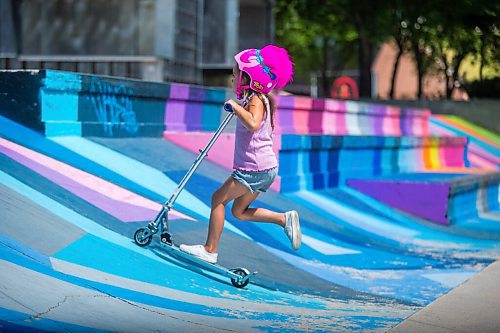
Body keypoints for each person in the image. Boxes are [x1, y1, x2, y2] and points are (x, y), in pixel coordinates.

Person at [179, 45, 301, 264]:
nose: (232, 78)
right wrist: (239, 106)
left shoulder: (256, 99)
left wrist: (235, 107)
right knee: (239, 211)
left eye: (236, 74)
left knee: (217, 200)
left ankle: (210, 249)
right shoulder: (258, 99)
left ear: (250, 79)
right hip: (264, 169)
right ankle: (284, 219)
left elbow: (253, 124)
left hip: (254, 169)